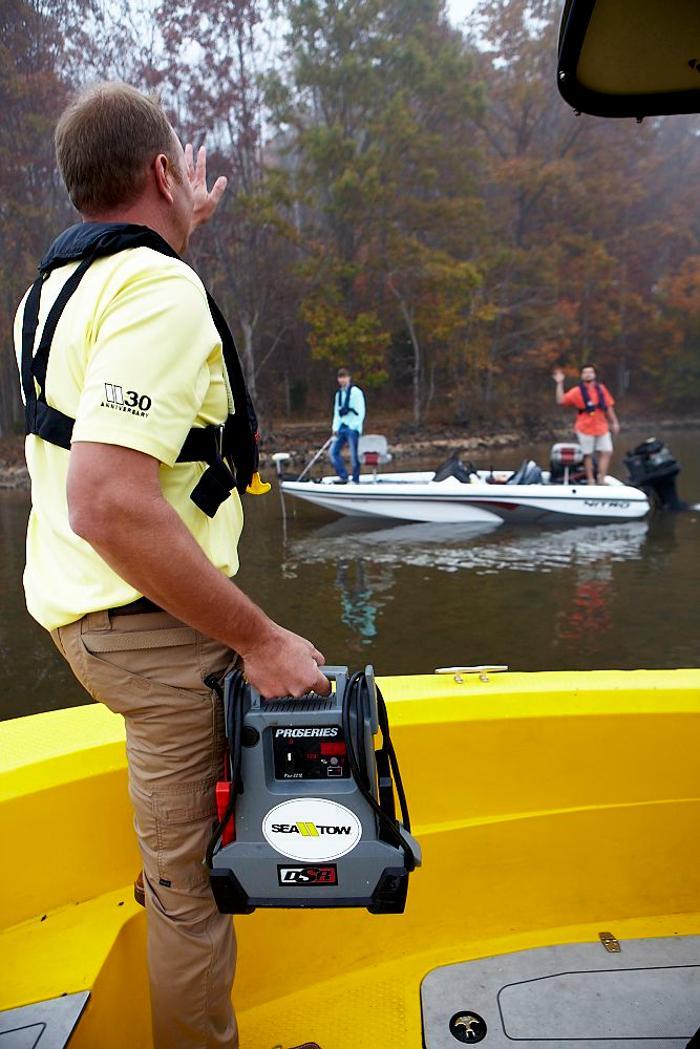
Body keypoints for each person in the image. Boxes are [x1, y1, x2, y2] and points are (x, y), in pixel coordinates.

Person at [14, 82, 330, 1049]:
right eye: (176, 174)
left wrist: (173, 231)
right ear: (162, 171)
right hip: (154, 640)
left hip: (88, 625)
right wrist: (262, 639)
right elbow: (108, 501)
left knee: (179, 872)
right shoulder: (157, 288)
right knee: (189, 894)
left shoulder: (47, 293)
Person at [553, 364, 620, 484]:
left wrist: (614, 422)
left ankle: (601, 478)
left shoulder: (601, 389)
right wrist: (559, 383)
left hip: (601, 425)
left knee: (607, 451)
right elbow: (561, 400)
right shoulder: (577, 391)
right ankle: (590, 479)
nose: (588, 374)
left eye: (590, 372)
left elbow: (609, 407)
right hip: (584, 426)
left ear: (594, 375)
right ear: (582, 375)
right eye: (585, 372)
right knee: (587, 454)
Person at [330, 367, 365, 483]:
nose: (342, 380)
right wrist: (335, 428)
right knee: (333, 452)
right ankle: (343, 476)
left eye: (344, 377)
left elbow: (361, 411)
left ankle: (355, 479)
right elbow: (337, 413)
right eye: (340, 378)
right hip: (342, 427)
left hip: (353, 428)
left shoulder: (356, 392)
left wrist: (354, 426)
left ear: (349, 378)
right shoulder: (338, 394)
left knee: (354, 456)